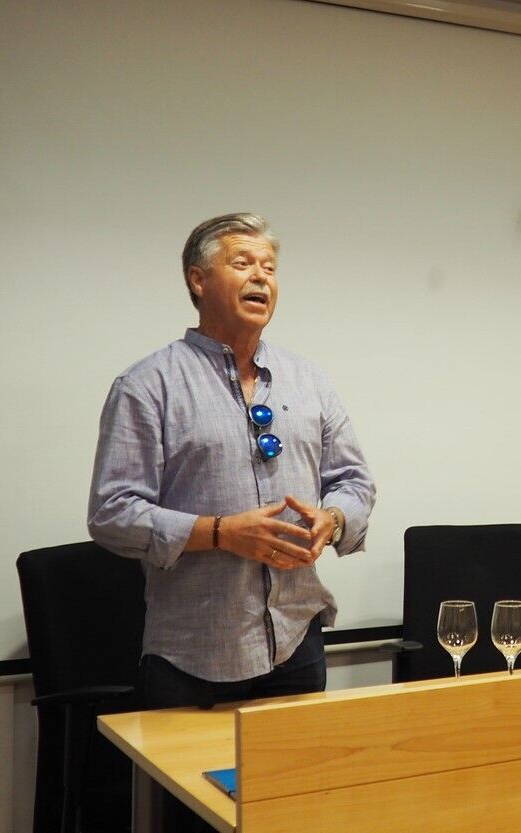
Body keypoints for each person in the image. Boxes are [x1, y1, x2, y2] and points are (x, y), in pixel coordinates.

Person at [89, 212, 374, 713]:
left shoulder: (309, 381)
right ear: (198, 280)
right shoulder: (147, 386)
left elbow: (354, 481)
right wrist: (220, 533)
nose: (261, 276)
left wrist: (331, 520)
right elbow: (113, 513)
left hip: (296, 642)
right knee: (188, 772)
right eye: (242, 263)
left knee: (294, 769)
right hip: (194, 656)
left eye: (269, 267)